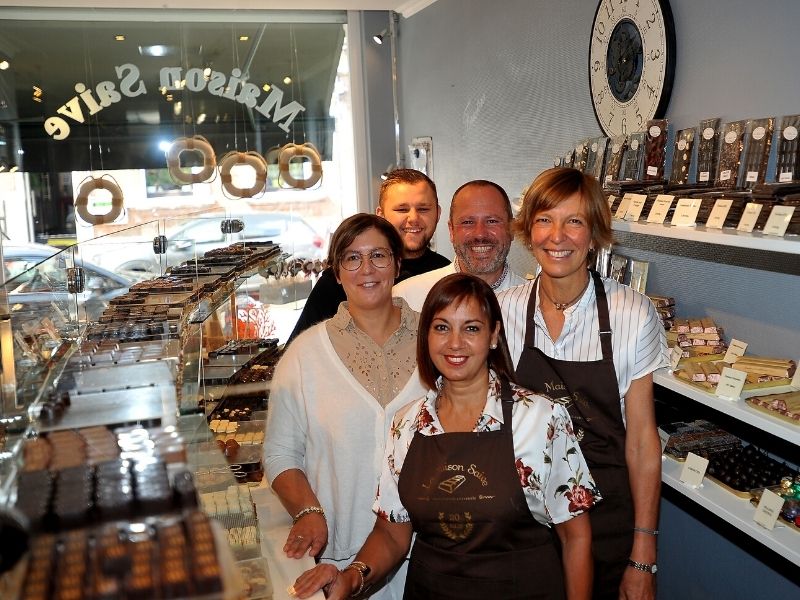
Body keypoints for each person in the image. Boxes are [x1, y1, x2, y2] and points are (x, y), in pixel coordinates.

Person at [290, 273, 600, 600]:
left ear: (493, 335)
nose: (455, 343)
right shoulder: (407, 423)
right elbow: (392, 534)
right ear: (426, 336)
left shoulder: (540, 418)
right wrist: (351, 577)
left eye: (471, 328)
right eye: (441, 327)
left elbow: (576, 537)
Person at [498, 167, 669, 600]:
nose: (558, 236)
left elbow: (643, 443)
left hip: (608, 522)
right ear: (528, 231)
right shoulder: (504, 311)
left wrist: (643, 554)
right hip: (528, 523)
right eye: (545, 219)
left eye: (574, 221)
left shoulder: (631, 313)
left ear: (594, 235)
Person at [264, 213, 428, 599]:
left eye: (378, 256)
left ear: (398, 264)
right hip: (339, 564)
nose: (366, 269)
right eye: (352, 258)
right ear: (336, 272)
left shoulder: (437, 341)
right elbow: (279, 452)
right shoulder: (305, 355)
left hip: (432, 555)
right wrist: (307, 510)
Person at [288, 169, 449, 342]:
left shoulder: (447, 276)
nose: (413, 218)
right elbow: (301, 352)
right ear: (380, 215)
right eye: (402, 209)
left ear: (438, 213)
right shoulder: (343, 280)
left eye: (423, 209)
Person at [392, 180, 525, 311]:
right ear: (451, 231)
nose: (480, 234)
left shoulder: (535, 302)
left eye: (492, 221)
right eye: (467, 222)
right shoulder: (406, 299)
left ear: (511, 229)